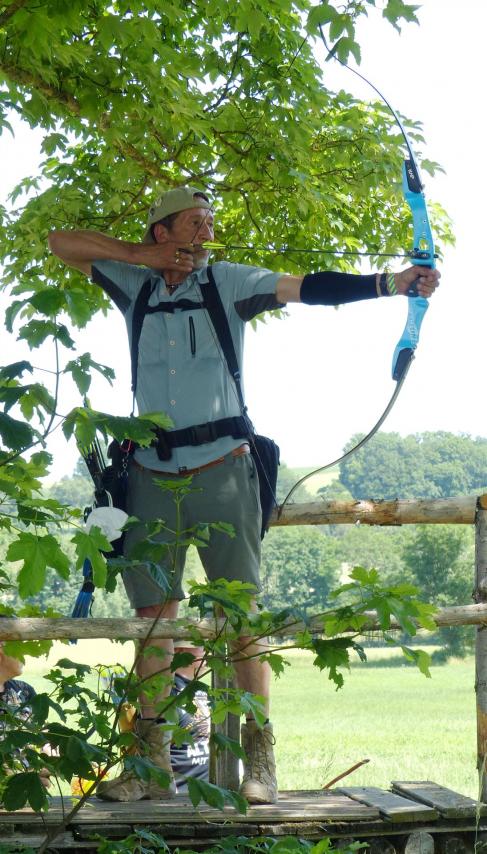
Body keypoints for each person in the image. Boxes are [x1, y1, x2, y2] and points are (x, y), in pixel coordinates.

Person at [48, 186, 440, 804]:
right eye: (194, 222)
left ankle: (260, 763)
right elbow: (60, 242)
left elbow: (308, 288)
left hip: (224, 469)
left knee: (241, 619)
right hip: (148, 473)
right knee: (154, 623)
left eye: (210, 221)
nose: (207, 232)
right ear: (162, 232)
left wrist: (391, 283)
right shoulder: (134, 282)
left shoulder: (227, 281)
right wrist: (145, 258)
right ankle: (149, 768)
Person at [0, 638, 52, 791]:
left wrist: (49, 759)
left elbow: (43, 737)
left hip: (26, 792)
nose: (25, 653)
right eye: (19, 646)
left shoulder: (24, 691)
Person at [170, 645, 210, 793]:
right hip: (180, 792)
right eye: (199, 646)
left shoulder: (203, 690)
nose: (206, 650)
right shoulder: (168, 693)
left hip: (208, 789)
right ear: (178, 650)